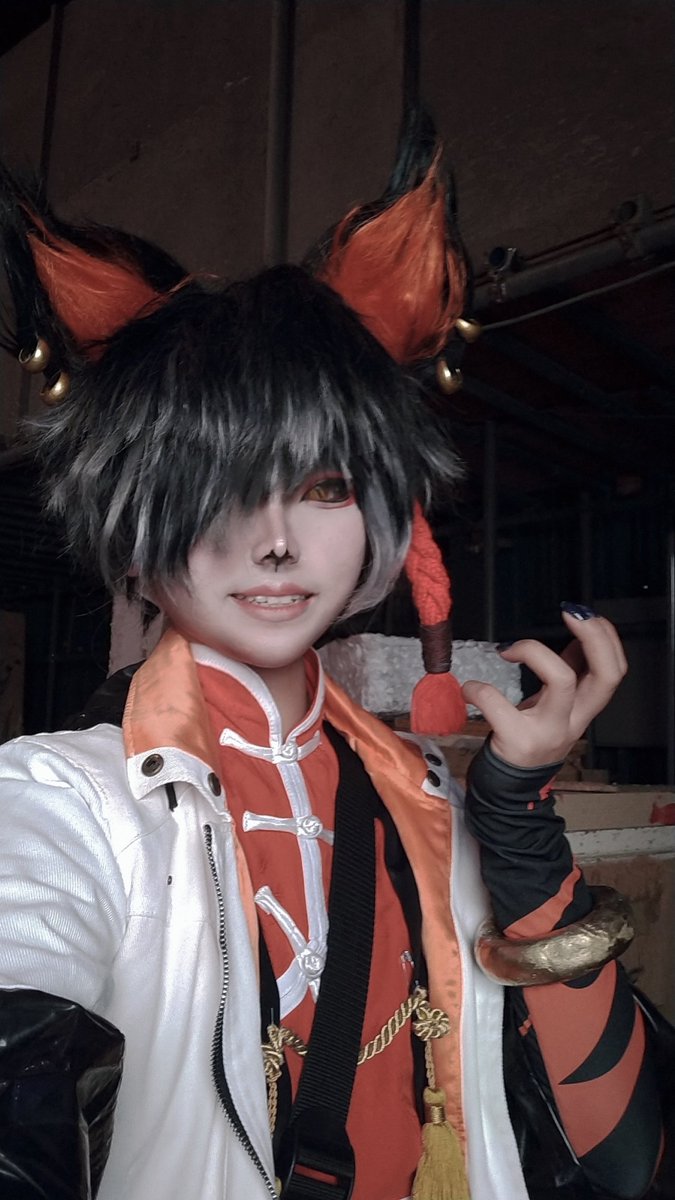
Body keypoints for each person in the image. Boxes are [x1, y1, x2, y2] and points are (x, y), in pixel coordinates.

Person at [0, 114, 666, 1200]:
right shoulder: (62, 800)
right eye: (218, 485)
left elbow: (621, 1153)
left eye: (323, 487)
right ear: (135, 525)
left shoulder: (429, 795)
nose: (274, 541)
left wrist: (515, 811)